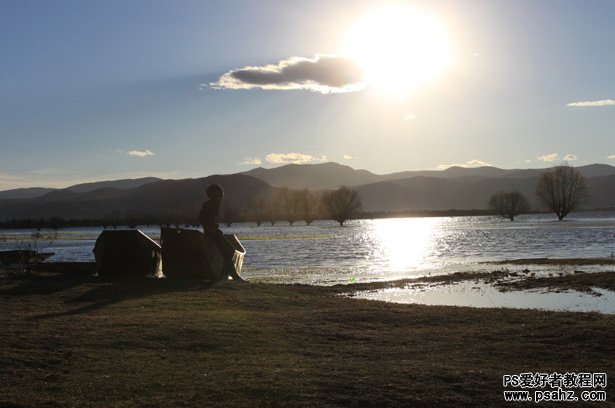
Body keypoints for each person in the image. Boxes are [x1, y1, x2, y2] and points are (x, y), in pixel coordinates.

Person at [199, 184, 244, 281]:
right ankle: (229, 275)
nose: (221, 198)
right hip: (212, 232)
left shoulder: (213, 203)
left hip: (213, 231)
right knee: (230, 250)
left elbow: (205, 218)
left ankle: (226, 274)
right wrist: (211, 228)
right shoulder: (210, 204)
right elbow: (203, 218)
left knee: (228, 251)